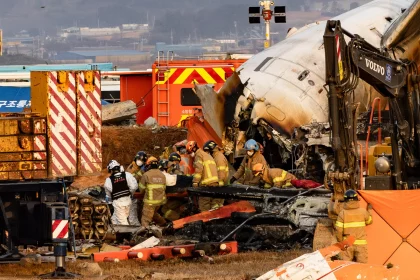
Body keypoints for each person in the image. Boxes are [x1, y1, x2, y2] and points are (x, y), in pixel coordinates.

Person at [335, 189, 373, 263]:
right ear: (357, 200)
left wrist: (341, 242)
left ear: (345, 200)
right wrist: (369, 210)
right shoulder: (363, 212)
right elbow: (369, 221)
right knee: (362, 267)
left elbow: (338, 230)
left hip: (347, 244)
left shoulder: (342, 213)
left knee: (345, 266)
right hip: (361, 245)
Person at [186, 140, 219, 212]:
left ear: (194, 149)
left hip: (206, 185)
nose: (191, 155)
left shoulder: (198, 155)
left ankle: (205, 222)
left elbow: (198, 170)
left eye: (190, 152)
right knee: (213, 206)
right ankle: (214, 221)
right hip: (215, 183)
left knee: (204, 206)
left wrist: (195, 182)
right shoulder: (207, 155)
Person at [103, 160, 138, 225]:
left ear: (110, 170)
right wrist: (129, 193)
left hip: (118, 203)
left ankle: (129, 234)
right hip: (128, 201)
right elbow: (134, 187)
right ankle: (115, 231)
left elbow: (108, 195)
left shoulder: (108, 180)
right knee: (114, 218)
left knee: (123, 222)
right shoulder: (127, 175)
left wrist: (111, 199)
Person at [138, 157, 167, 231]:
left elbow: (141, 190)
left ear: (149, 165)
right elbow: (164, 188)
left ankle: (145, 233)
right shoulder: (162, 175)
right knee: (154, 214)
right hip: (160, 202)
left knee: (146, 219)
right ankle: (164, 224)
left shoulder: (146, 175)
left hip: (150, 202)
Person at [203, 140, 228, 209]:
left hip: (220, 188)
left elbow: (221, 174)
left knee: (216, 207)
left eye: (208, 151)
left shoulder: (219, 158)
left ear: (212, 150)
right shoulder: (216, 157)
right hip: (218, 187)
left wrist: (217, 188)